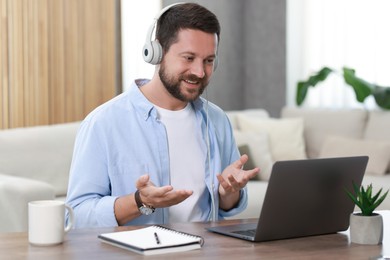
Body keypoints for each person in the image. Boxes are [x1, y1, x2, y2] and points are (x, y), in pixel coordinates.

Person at [65, 2, 259, 228]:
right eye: (188, 57)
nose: (199, 71)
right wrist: (139, 201)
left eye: (208, 60)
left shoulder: (216, 120)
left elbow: (226, 206)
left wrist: (228, 192)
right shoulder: (104, 122)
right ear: (156, 52)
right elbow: (76, 215)